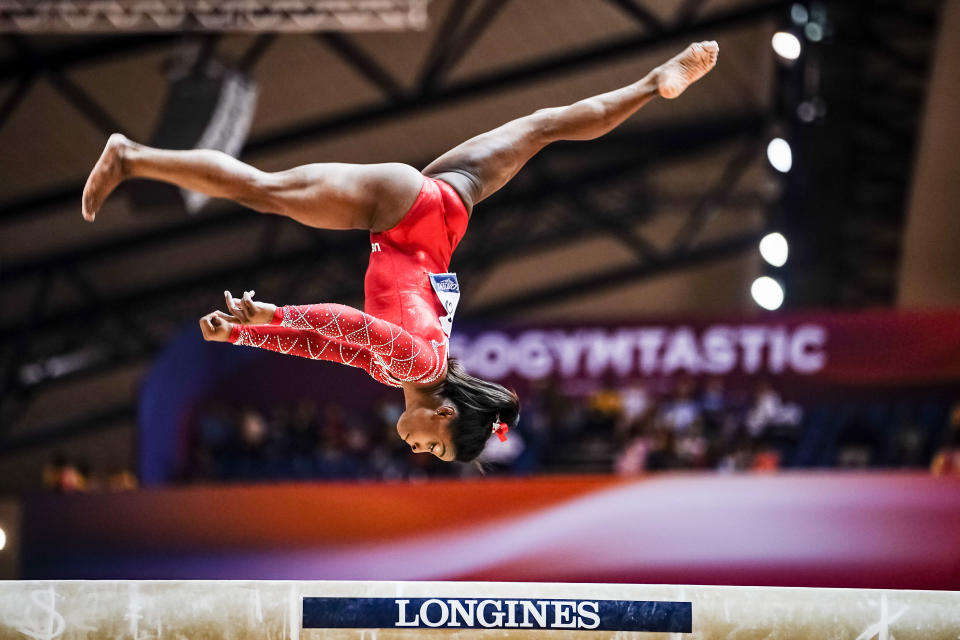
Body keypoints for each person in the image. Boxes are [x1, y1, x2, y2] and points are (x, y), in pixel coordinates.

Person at [81, 42, 720, 463]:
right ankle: (132, 157)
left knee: (546, 126)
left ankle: (649, 83)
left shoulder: (422, 365)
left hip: (447, 207)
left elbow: (330, 346)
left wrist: (251, 334)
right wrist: (268, 316)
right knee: (264, 190)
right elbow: (346, 325)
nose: (421, 452)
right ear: (444, 414)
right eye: (438, 449)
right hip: (401, 210)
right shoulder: (413, 365)